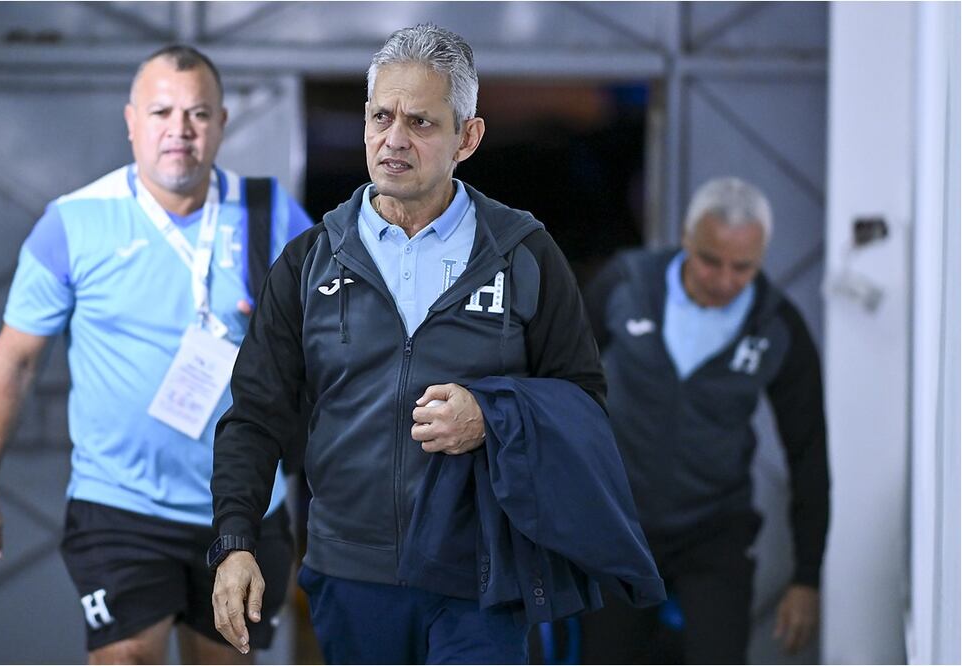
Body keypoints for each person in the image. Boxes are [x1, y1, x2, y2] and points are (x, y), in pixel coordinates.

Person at [207, 23, 662, 665]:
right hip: (351, 577)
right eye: (380, 117)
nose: (394, 140)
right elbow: (255, 415)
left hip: (481, 579)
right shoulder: (310, 260)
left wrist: (493, 415)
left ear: (466, 138)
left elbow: (583, 401)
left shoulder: (522, 254)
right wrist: (234, 540)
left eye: (420, 122)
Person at [0, 45, 311, 664]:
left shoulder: (270, 213)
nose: (180, 129)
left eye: (198, 113)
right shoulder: (72, 224)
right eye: (162, 111)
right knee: (124, 658)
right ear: (131, 121)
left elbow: (334, 341)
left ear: (222, 122)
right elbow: (14, 361)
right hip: (119, 504)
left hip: (243, 506)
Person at [579, 177, 830, 664]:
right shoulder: (626, 284)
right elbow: (557, 382)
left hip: (715, 529)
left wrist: (807, 578)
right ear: (686, 239)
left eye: (744, 268)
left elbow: (809, 452)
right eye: (711, 260)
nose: (724, 280)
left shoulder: (779, 326)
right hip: (620, 522)